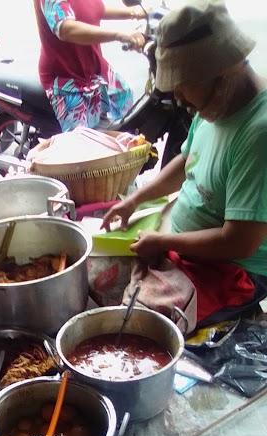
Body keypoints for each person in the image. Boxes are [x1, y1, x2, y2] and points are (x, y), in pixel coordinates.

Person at [102, 0, 267, 295]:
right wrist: (135, 200)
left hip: (234, 270)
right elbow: (188, 159)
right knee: (96, 272)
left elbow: (239, 241)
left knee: (135, 316)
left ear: (224, 72)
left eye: (184, 83)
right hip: (180, 242)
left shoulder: (258, 133)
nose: (178, 96)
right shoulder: (216, 105)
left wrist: (163, 242)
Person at [33, 0, 146, 132]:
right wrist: (118, 35)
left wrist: (137, 13)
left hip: (94, 68)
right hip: (66, 78)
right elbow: (65, 29)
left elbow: (95, 8)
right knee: (83, 142)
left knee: (126, 102)